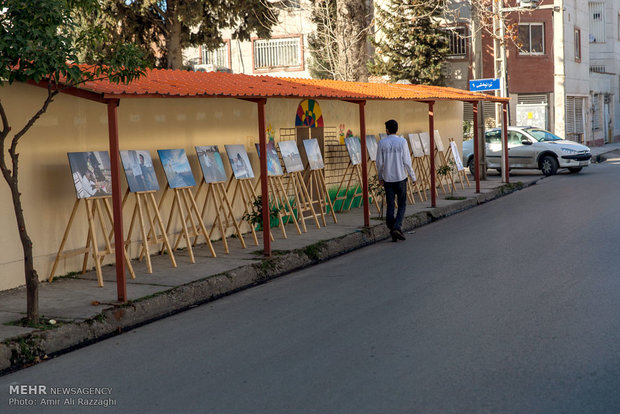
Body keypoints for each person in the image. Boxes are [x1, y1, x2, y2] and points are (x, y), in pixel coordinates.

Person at [376, 119, 416, 242]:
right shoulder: (402, 142)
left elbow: (379, 163)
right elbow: (407, 162)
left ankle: (392, 226)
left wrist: (380, 177)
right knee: (402, 204)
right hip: (401, 178)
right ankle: (397, 227)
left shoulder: (382, 143)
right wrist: (413, 176)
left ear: (387, 130)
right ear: (396, 129)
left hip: (388, 179)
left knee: (390, 204)